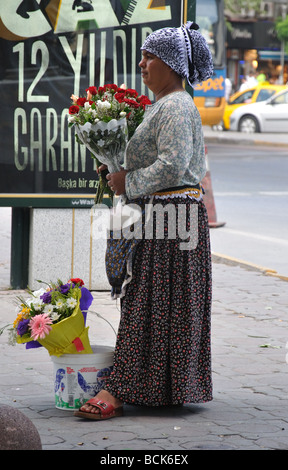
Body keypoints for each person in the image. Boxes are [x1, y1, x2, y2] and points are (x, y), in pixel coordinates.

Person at [74, 21, 214, 420]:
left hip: (172, 221)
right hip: (165, 219)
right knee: (157, 305)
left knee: (151, 304)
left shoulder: (176, 106)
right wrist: (116, 171)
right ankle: (160, 388)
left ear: (171, 64)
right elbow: (159, 160)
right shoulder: (165, 105)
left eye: (149, 56)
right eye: (143, 56)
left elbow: (171, 167)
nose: (142, 64)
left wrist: (126, 180)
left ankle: (119, 390)